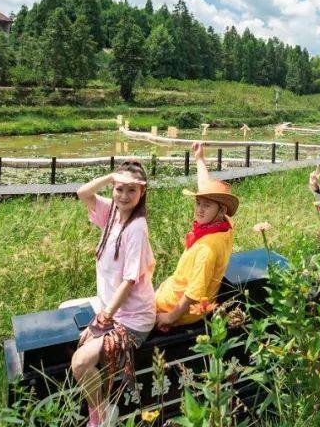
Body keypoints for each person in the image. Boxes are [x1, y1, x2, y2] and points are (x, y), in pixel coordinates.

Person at [73, 160, 155, 427]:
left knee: (81, 361)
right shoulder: (112, 214)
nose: (124, 196)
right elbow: (83, 193)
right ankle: (100, 410)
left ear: (142, 192)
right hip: (111, 308)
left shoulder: (137, 228)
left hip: (131, 318)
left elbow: (130, 281)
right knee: (67, 310)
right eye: (119, 189)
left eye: (132, 190)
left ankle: (101, 415)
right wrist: (111, 176)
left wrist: (103, 320)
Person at [154, 143, 236, 329]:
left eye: (206, 206)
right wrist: (199, 158)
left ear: (221, 209)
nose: (199, 210)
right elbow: (205, 187)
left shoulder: (206, 249)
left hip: (177, 309)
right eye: (198, 203)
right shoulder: (224, 224)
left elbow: (193, 293)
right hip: (173, 292)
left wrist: (170, 317)